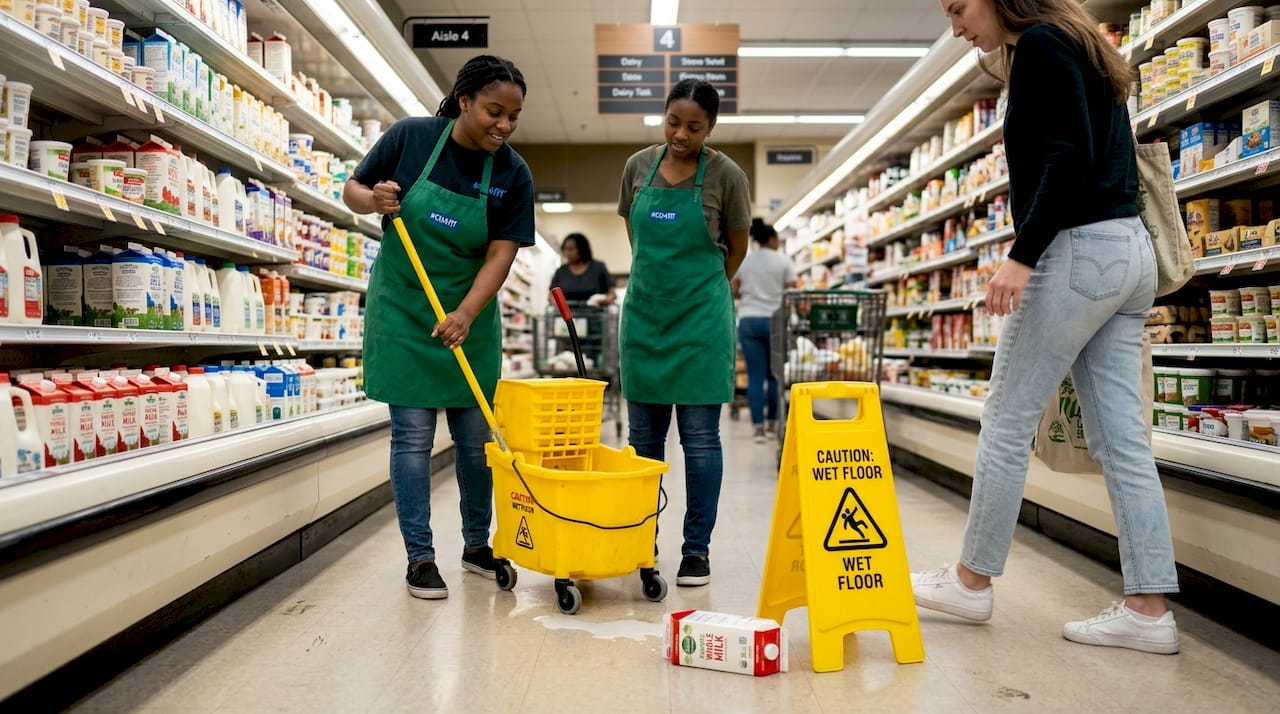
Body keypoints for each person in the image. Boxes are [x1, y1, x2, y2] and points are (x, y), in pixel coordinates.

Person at [912, 0, 1180, 653]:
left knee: (1005, 422)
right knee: (1122, 441)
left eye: (958, 8)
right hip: (1129, 252)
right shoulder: (1079, 43)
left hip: (1078, 253)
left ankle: (971, 584)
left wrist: (1020, 256)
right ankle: (1149, 609)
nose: (956, 28)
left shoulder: (1039, 47)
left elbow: (1066, 157)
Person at [342, 55, 534, 600]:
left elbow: (501, 254)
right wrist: (372, 199)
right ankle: (419, 558)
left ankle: (477, 545)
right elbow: (352, 191)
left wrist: (467, 313)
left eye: (513, 117)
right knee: (413, 438)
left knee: (476, 444)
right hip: (404, 310)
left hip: (469, 316)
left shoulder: (513, 173)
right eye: (495, 111)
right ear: (465, 100)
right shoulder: (412, 139)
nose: (504, 125)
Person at [617, 79, 750, 587]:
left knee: (699, 440)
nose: (681, 134)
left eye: (695, 127)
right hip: (646, 317)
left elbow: (733, 248)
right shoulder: (636, 167)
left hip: (701, 322)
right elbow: (635, 235)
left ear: (710, 127)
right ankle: (638, 536)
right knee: (644, 442)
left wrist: (703, 289)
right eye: (674, 121)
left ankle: (696, 550)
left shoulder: (726, 175)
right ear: (664, 115)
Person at [732, 219, 797, 443]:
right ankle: (772, 424)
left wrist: (752, 295)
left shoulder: (745, 261)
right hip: (775, 321)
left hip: (749, 320)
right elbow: (791, 294)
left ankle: (758, 429)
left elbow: (735, 290)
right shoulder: (784, 262)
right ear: (771, 239)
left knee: (755, 376)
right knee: (775, 376)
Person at [549, 233, 616, 305]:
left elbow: (611, 293)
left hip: (595, 313)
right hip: (566, 314)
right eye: (565, 249)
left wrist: (604, 300)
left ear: (582, 249)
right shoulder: (561, 272)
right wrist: (557, 304)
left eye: (571, 249)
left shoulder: (598, 268)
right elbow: (551, 295)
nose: (567, 253)